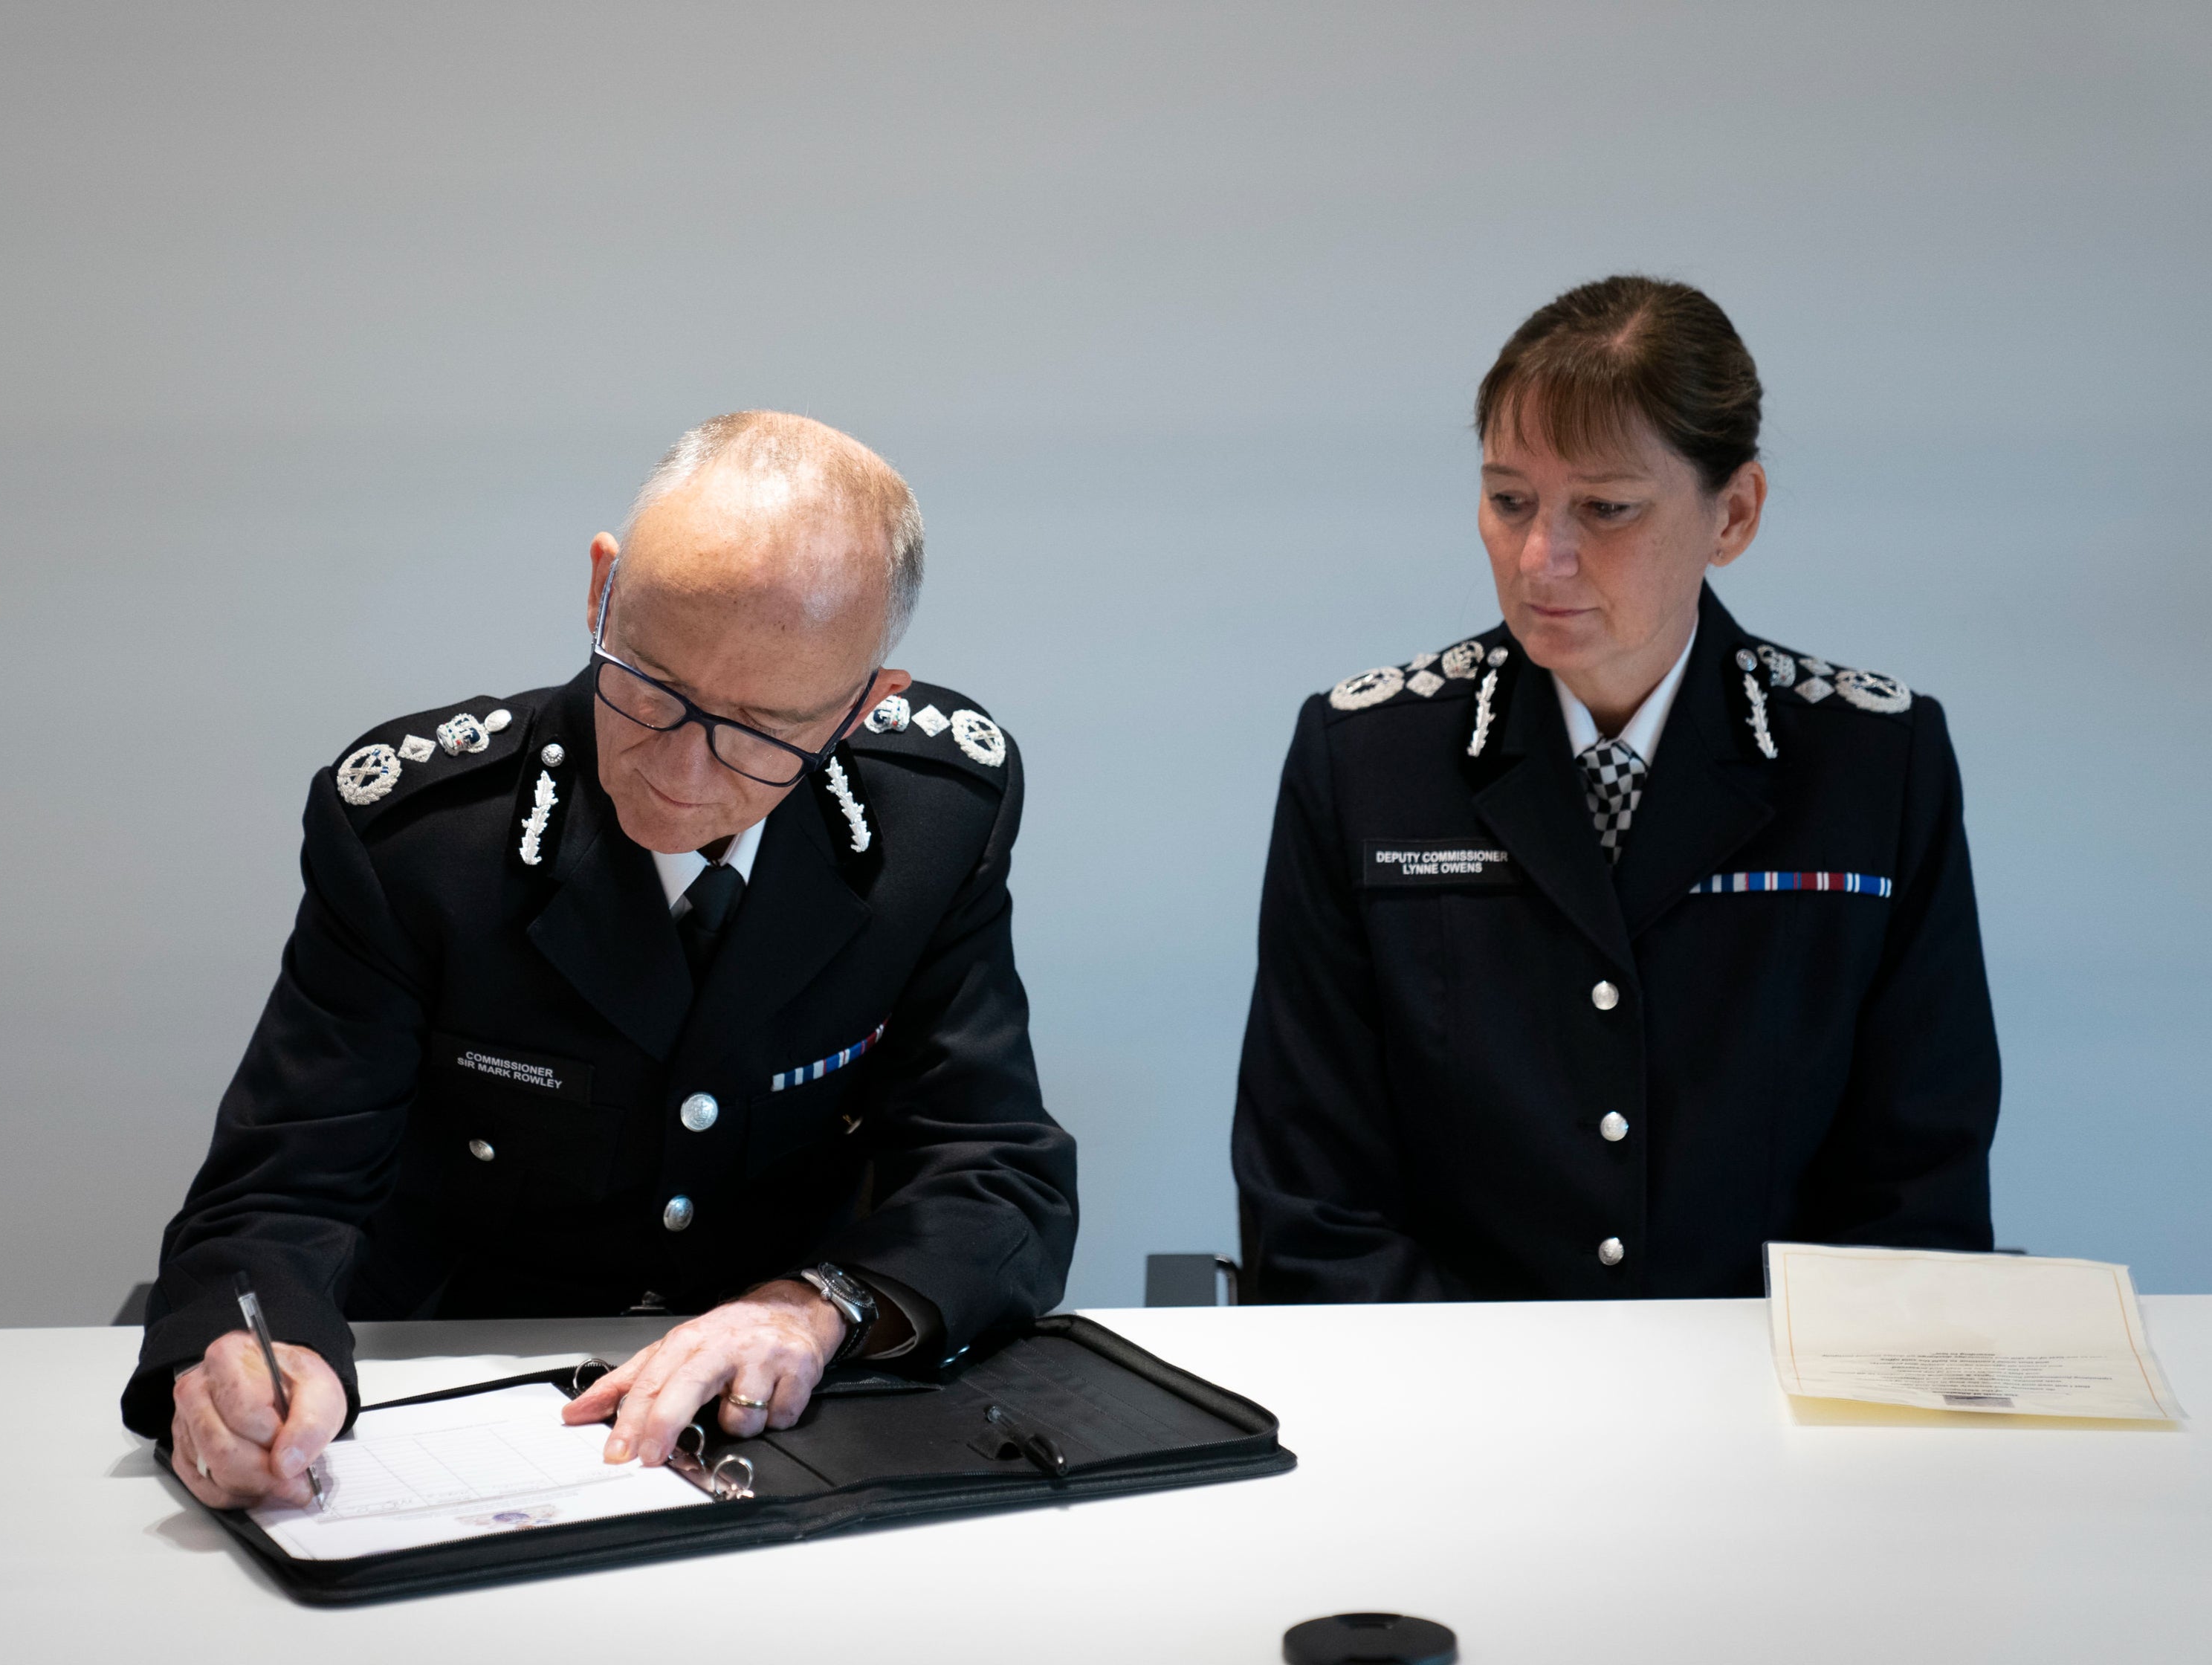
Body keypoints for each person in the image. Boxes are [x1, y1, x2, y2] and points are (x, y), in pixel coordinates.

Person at [123, 412, 1077, 1507]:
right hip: (444, 1409)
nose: (678, 769)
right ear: (600, 593)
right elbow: (280, 1193)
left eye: (762, 730)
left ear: (865, 706)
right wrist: (259, 1355)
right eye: (649, 686)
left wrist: (814, 1308)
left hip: (784, 1418)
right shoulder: (423, 838)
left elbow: (994, 1167)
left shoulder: (930, 818)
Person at [1233, 276, 1999, 1304]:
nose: (1541, 557)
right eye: (1510, 501)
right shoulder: (1369, 756)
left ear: (1733, 513)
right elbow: (1311, 1200)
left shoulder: (1871, 762)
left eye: (1605, 508)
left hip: (1773, 1403)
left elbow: (1918, 1196)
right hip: (1446, 1401)